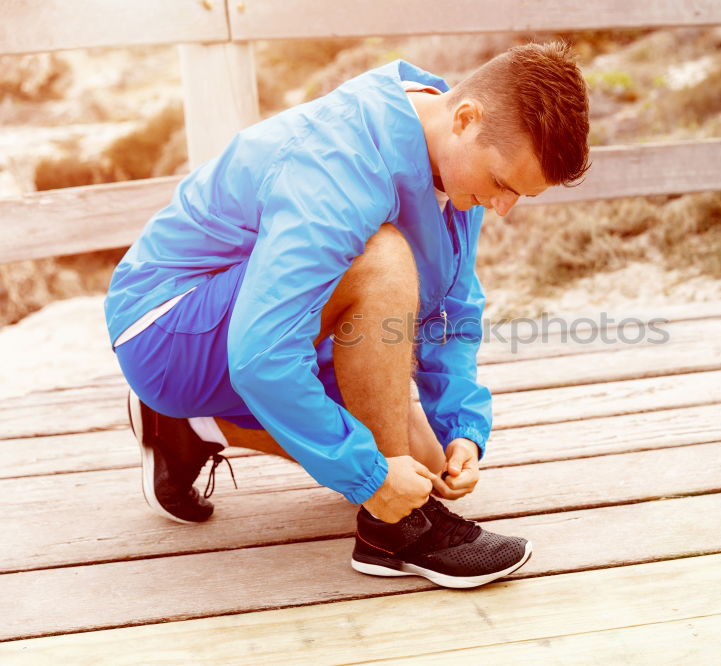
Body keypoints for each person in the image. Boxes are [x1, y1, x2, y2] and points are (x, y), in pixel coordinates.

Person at [104, 42, 590, 589]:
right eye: (503, 184)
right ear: (465, 118)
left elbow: (453, 308)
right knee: (382, 261)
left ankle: (190, 428)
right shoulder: (339, 164)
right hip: (170, 326)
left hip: (271, 318)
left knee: (427, 469)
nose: (503, 208)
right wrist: (373, 477)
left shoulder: (456, 165)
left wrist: (461, 427)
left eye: (520, 195)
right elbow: (262, 354)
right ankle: (392, 532)